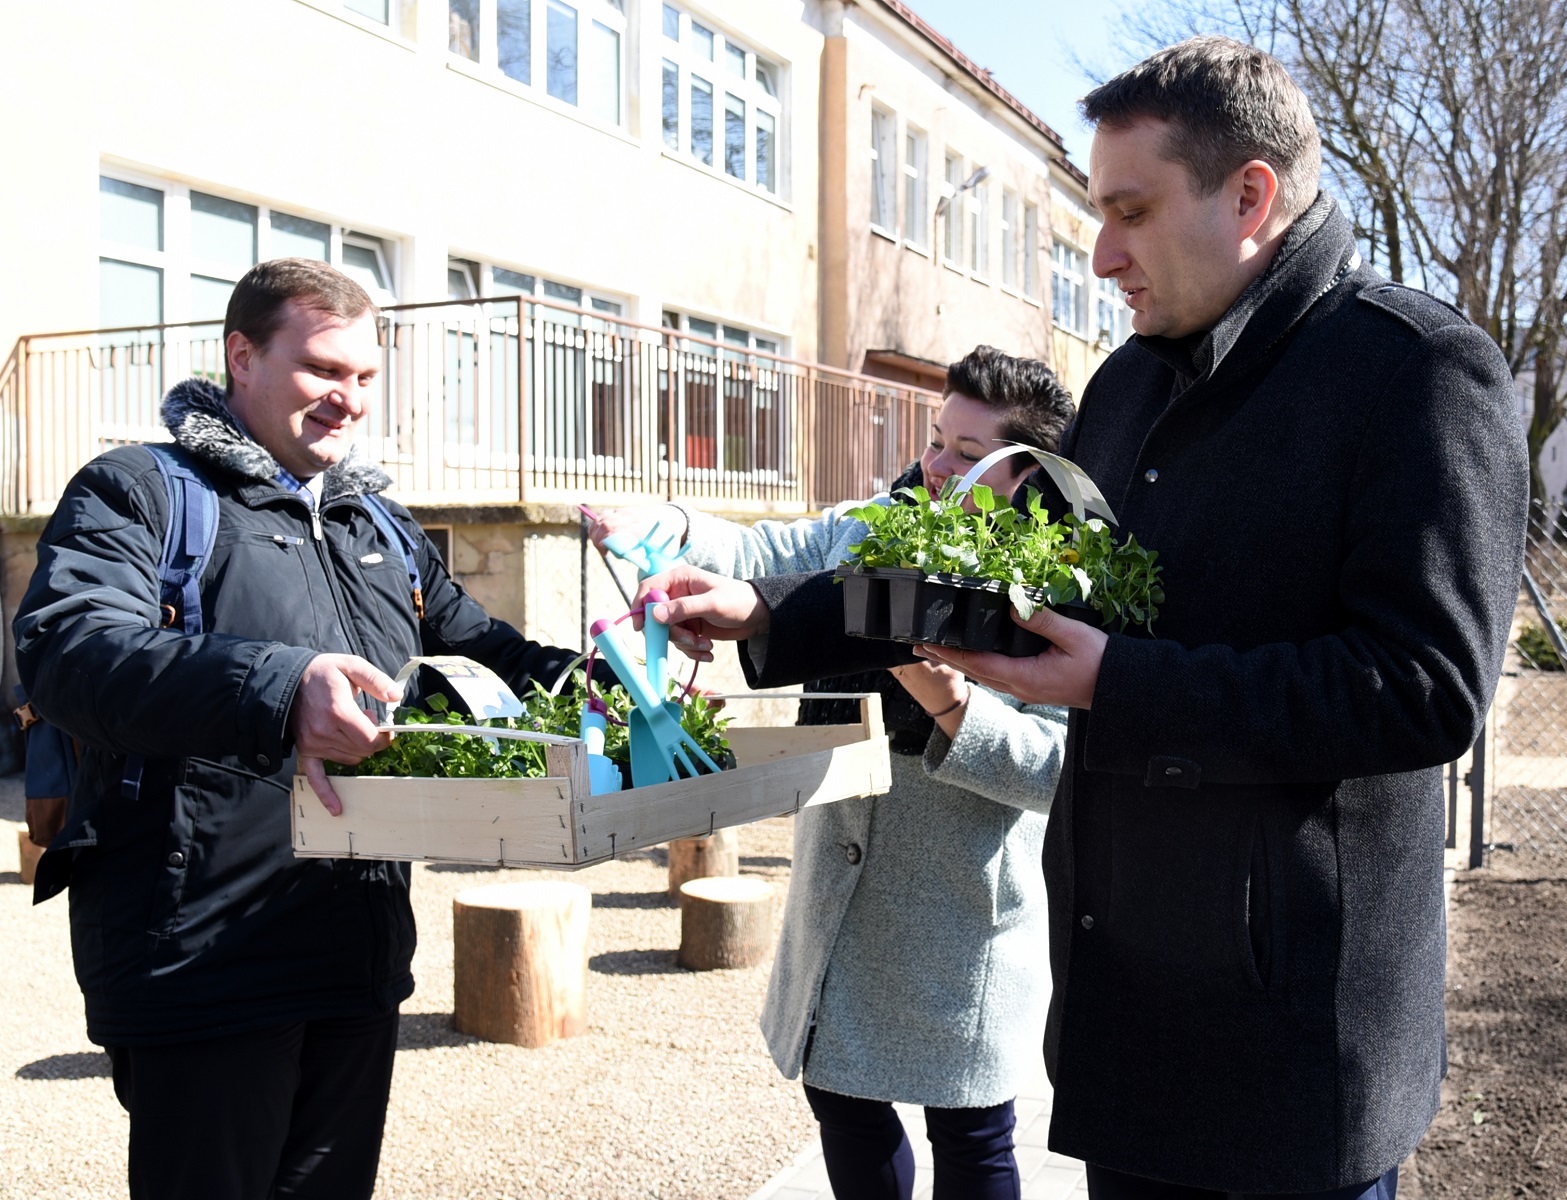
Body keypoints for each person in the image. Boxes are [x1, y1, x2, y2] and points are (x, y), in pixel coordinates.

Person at [633, 36, 1530, 1200]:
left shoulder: (1414, 372)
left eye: (1131, 211)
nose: (1101, 254)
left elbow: (1424, 690)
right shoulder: (1129, 385)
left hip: (1287, 1058)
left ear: (1249, 196)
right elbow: (997, 604)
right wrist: (771, 613)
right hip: (1127, 1025)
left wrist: (1121, 686)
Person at [14, 258, 593, 1200]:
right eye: (324, 370)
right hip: (201, 959)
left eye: (366, 377)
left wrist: (610, 676)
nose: (349, 400)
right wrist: (281, 687)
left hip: (355, 951)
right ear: (242, 357)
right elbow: (72, 652)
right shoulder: (141, 492)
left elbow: (485, 657)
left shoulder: (381, 526)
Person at [594, 347, 1072, 1199]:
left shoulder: (1056, 580)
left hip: (960, 904)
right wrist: (661, 522)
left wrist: (947, 695)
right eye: (935, 441)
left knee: (970, 1130)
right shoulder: (870, 526)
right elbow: (759, 549)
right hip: (840, 883)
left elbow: (1055, 774)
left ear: (1027, 472)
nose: (936, 467)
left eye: (967, 456)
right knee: (841, 1096)